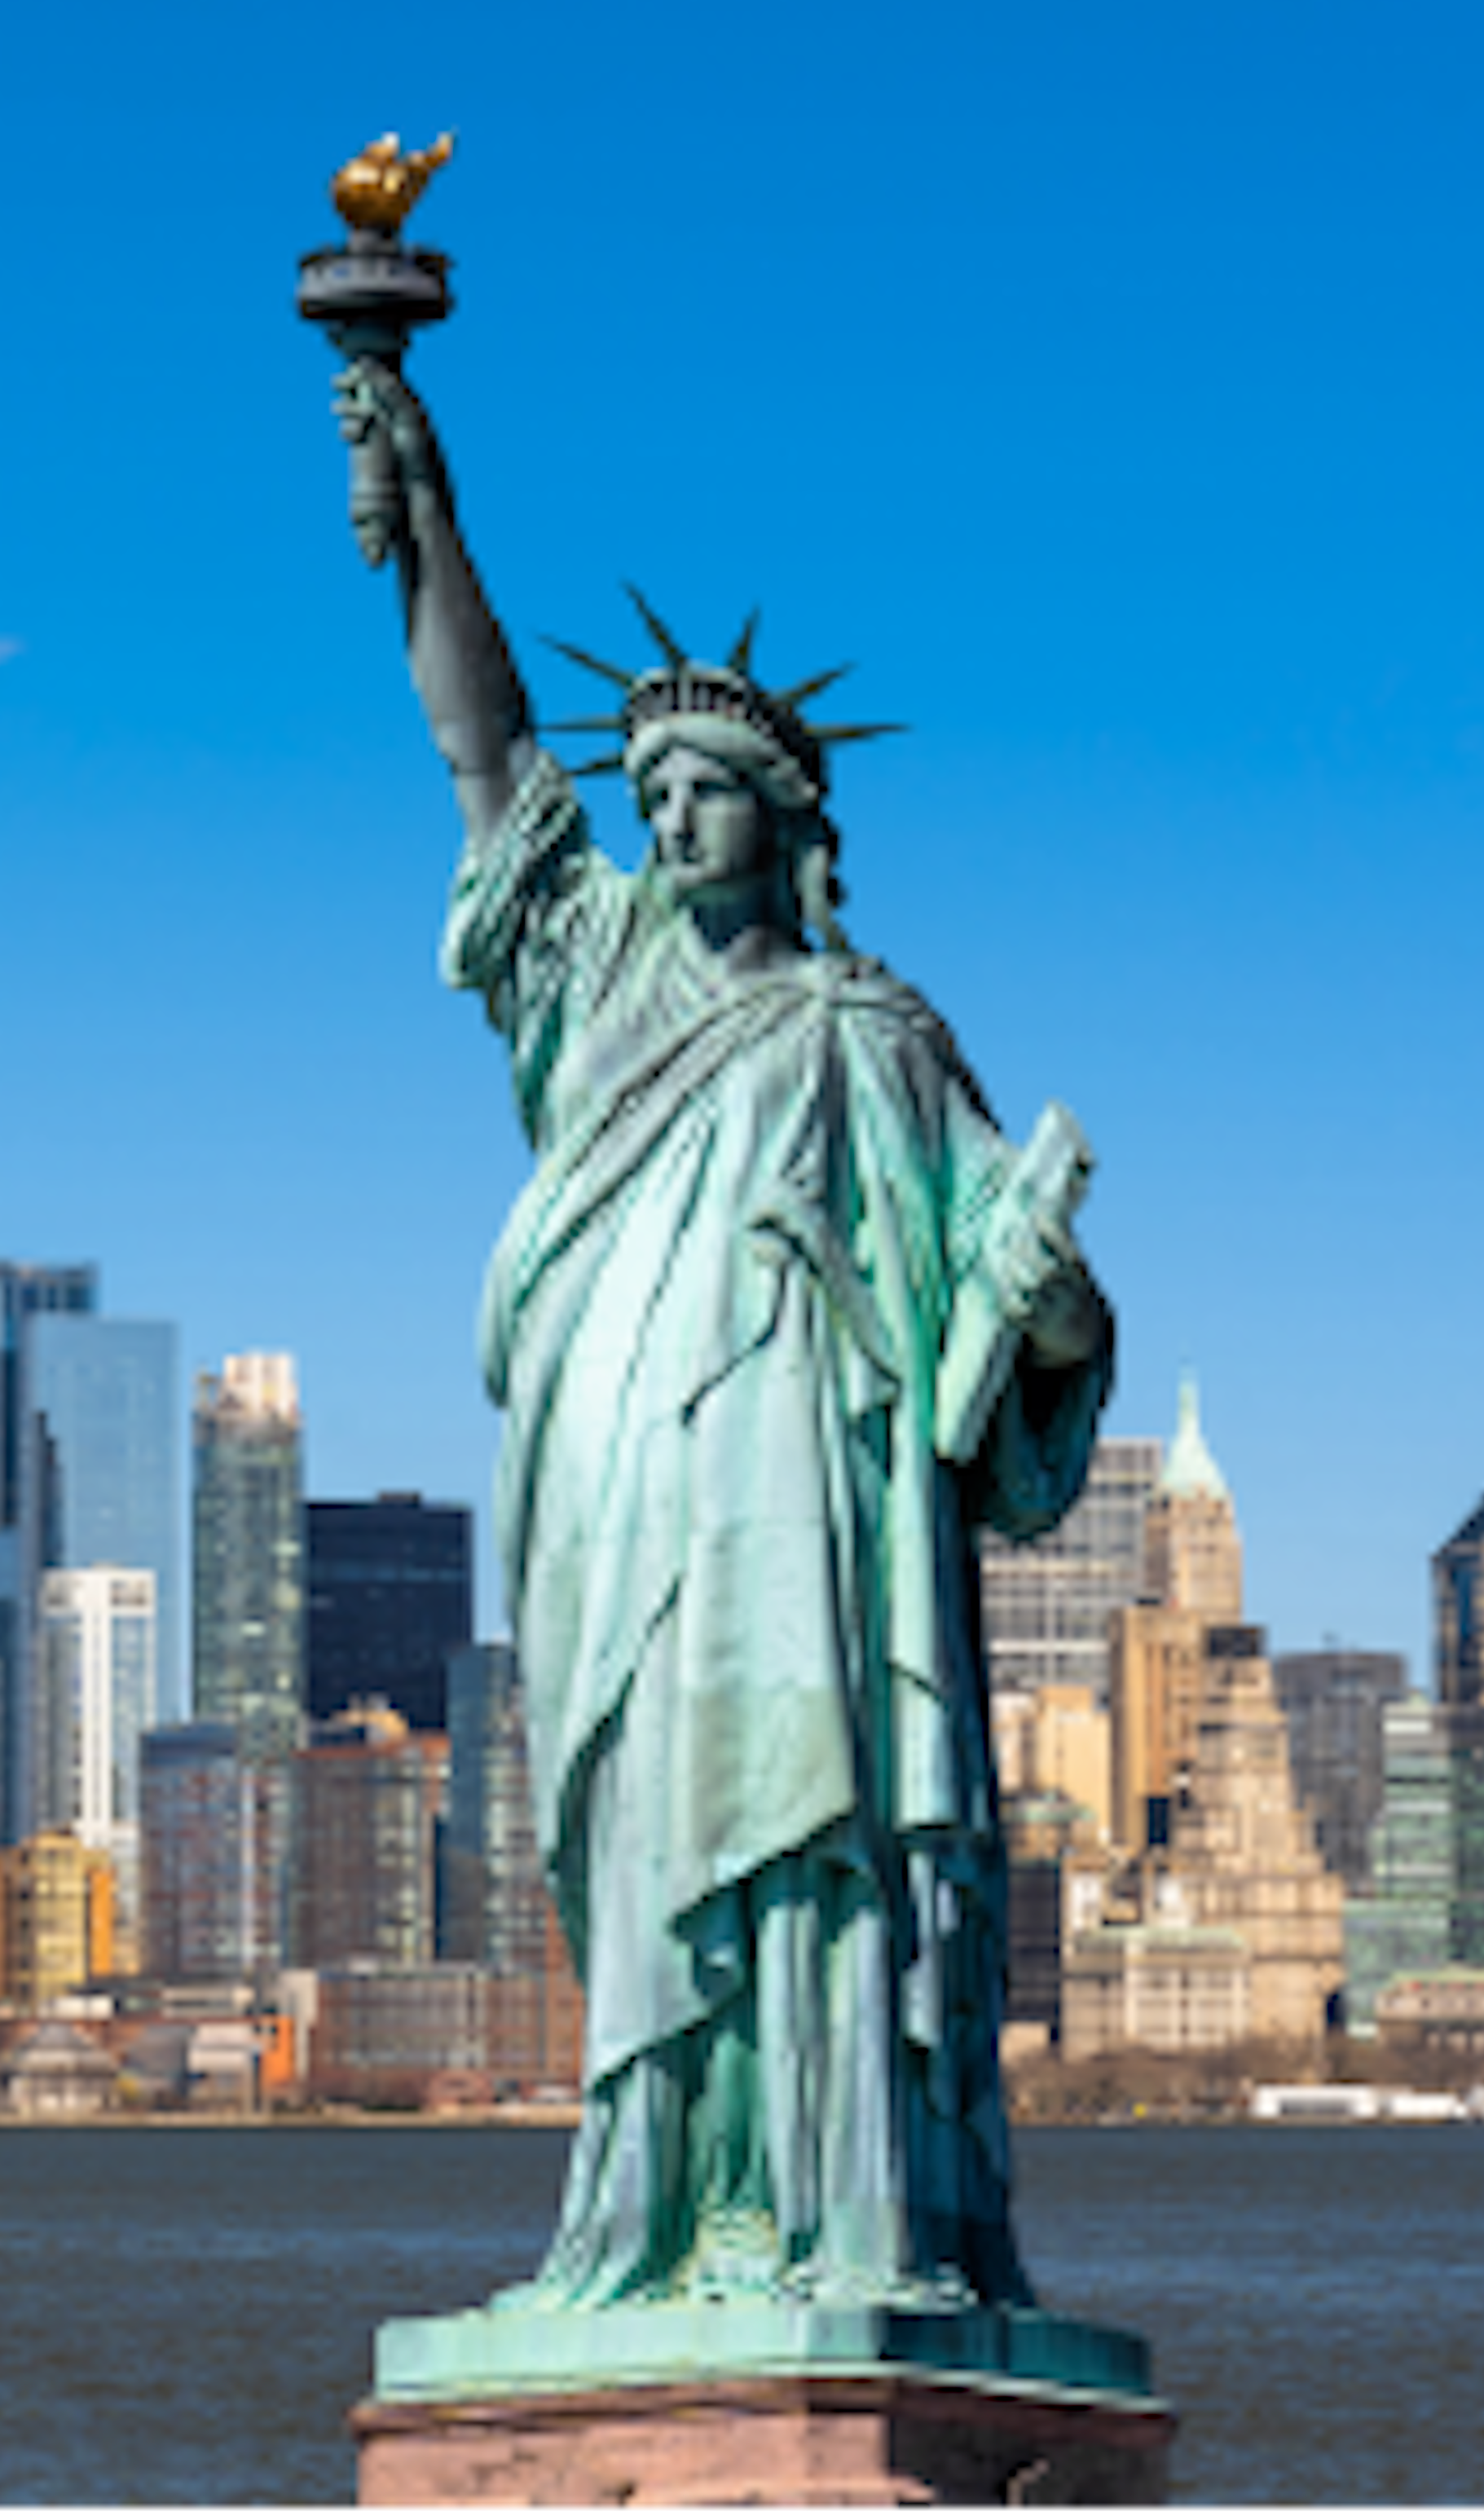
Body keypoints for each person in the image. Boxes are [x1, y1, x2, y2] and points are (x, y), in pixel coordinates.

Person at [336, 357, 1115, 2314]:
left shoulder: (878, 1036)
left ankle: (842, 2215)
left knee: (819, 1827)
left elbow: (996, 1330)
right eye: (652, 790)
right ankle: (657, 2219)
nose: (667, 815)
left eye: (704, 792)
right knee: (653, 1826)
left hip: (815, 1512)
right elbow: (485, 750)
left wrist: (1050, 1300)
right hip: (622, 1487)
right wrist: (423, 504)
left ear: (786, 822)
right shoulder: (589, 971)